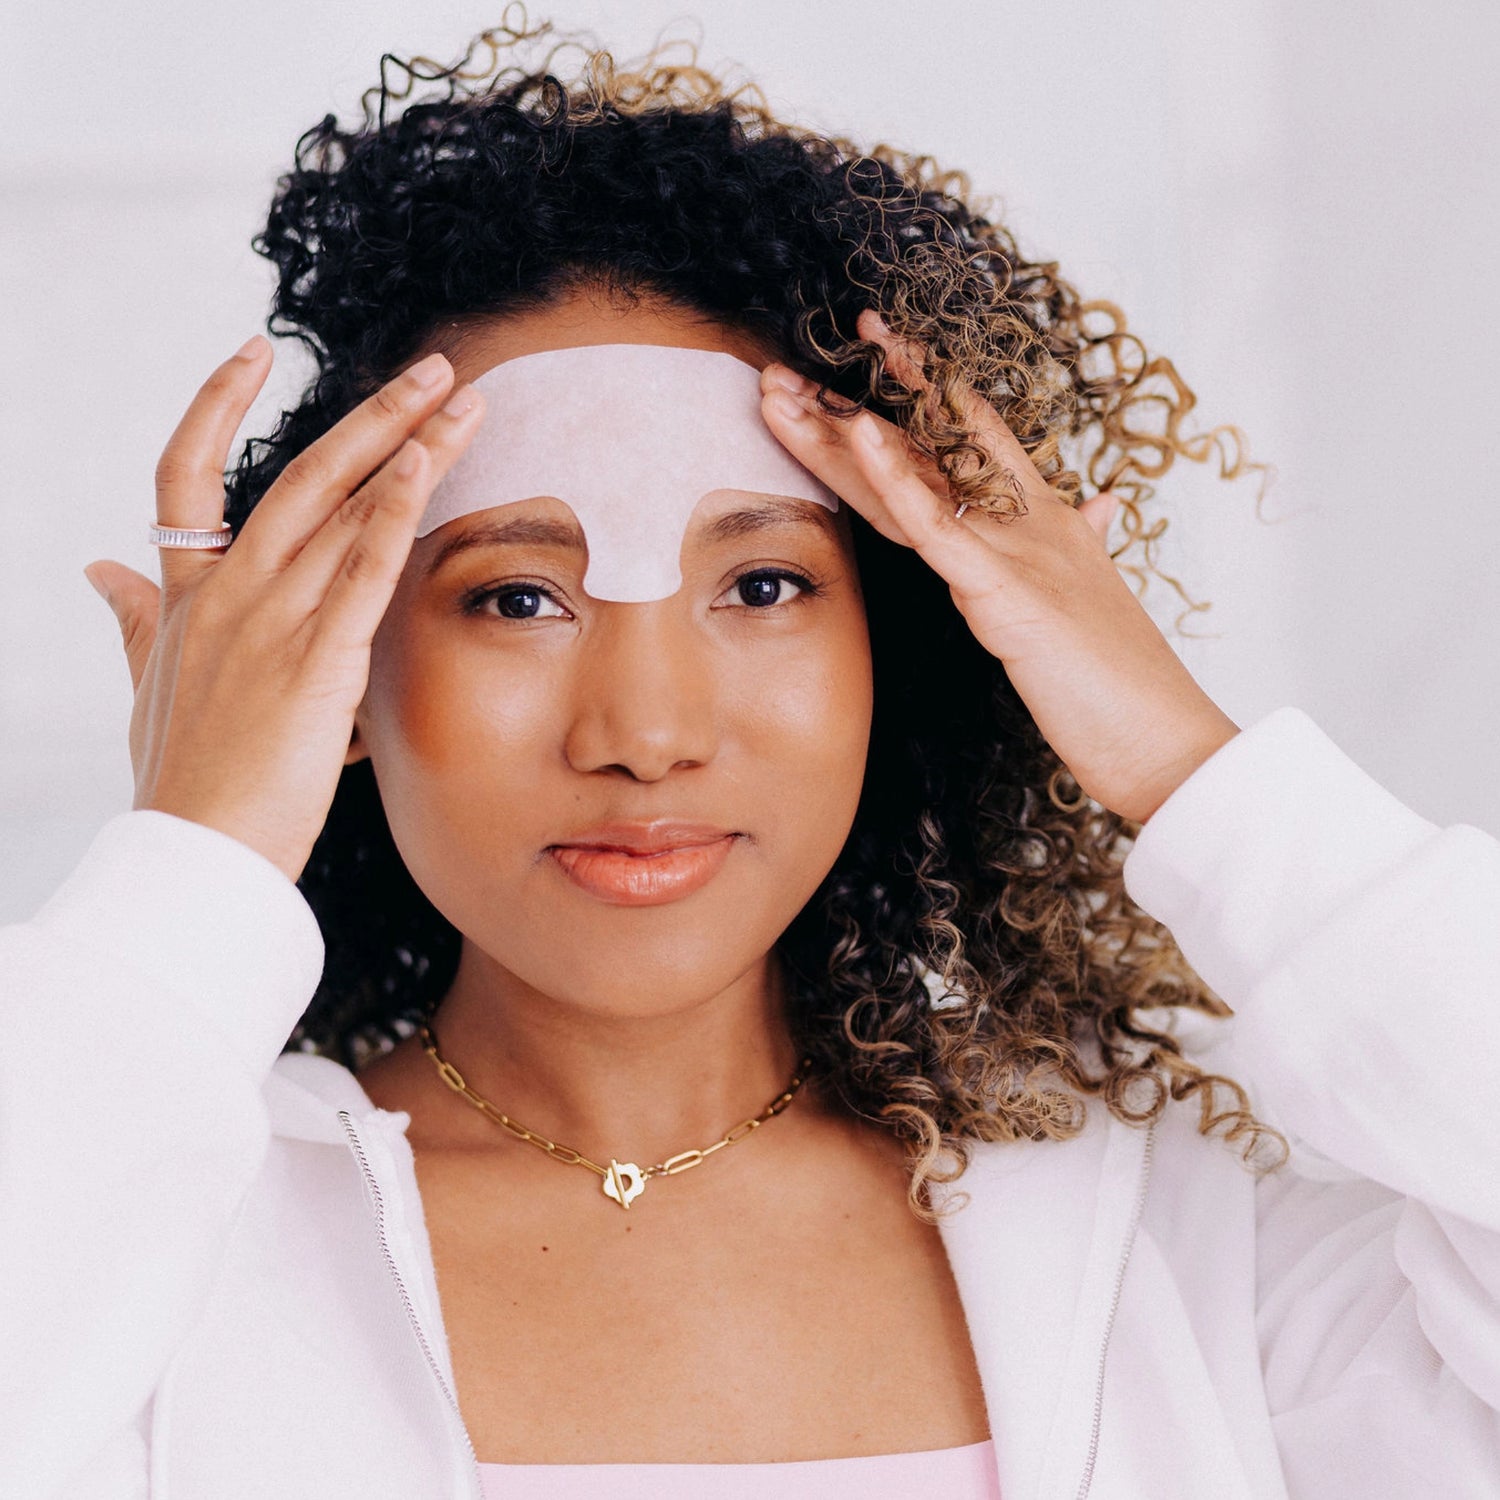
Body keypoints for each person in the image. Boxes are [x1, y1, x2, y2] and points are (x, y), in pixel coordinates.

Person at [3, 15, 1497, 1500]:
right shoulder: (154, 1252)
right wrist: (194, 858)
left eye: (765, 584)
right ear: (338, 665)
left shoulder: (1187, 1250)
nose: (645, 735)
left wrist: (1189, 764)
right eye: (517, 596)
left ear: (902, 642)